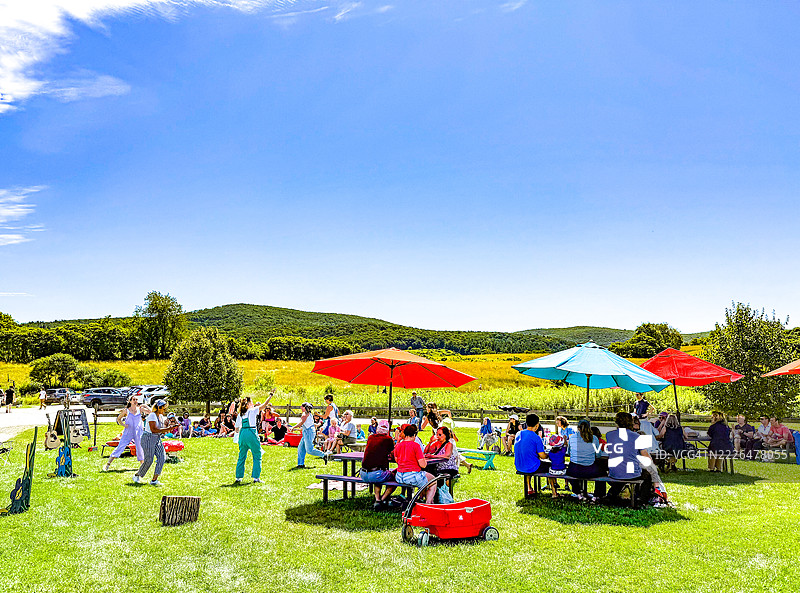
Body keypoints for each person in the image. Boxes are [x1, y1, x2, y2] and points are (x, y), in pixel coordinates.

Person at [604, 412, 653, 504]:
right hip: (632, 473)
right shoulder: (637, 436)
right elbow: (646, 456)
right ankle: (642, 499)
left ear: (617, 422)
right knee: (647, 475)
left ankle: (612, 494)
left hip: (614, 472)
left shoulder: (609, 435)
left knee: (621, 471)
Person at [134, 399, 179, 486]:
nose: (165, 410)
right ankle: (137, 475)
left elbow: (160, 430)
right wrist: (168, 429)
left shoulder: (160, 416)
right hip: (148, 438)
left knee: (162, 457)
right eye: (164, 408)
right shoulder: (152, 415)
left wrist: (171, 428)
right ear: (159, 407)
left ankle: (154, 480)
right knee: (149, 460)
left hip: (157, 438)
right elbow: (154, 430)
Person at [234, 394, 273, 483]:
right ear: (248, 404)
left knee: (241, 456)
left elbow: (236, 428)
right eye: (251, 402)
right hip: (251, 433)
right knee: (257, 455)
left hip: (242, 434)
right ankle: (256, 477)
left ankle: (238, 477)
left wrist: (238, 437)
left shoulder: (240, 414)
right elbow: (264, 405)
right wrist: (270, 396)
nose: (253, 403)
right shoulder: (252, 410)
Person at [104, 396, 150, 471]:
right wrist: (124, 425)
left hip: (138, 431)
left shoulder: (140, 409)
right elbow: (118, 419)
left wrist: (145, 406)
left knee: (140, 447)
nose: (135, 401)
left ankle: (142, 466)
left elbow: (151, 412)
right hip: (128, 431)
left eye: (136, 400)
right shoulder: (126, 410)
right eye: (134, 400)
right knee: (121, 446)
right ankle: (108, 464)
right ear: (130, 401)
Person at [394, 424, 436, 504]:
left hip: (399, 476)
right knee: (433, 481)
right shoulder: (416, 446)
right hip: (412, 476)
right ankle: (428, 503)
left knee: (424, 479)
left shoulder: (398, 446)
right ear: (414, 435)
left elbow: (397, 460)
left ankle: (419, 498)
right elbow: (423, 465)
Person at [566, 418, 607, 500]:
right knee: (603, 473)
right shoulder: (594, 438)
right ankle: (597, 495)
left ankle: (578, 492)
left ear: (578, 428)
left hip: (574, 470)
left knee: (569, 471)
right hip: (589, 470)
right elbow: (598, 455)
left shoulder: (572, 437)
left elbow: (569, 453)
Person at [360, 419, 396, 509]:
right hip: (376, 474)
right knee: (396, 478)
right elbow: (393, 452)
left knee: (379, 474)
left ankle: (377, 499)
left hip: (363, 473)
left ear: (377, 429)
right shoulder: (388, 439)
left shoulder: (371, 437)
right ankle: (382, 499)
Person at [515, 413, 549, 496]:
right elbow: (542, 456)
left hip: (519, 465)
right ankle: (553, 489)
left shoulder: (518, 434)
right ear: (537, 425)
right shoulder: (536, 437)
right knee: (552, 466)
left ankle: (529, 487)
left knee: (530, 460)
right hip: (531, 467)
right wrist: (549, 454)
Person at [291, 402, 326, 469]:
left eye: (302, 406)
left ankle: (324, 455)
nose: (301, 407)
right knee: (301, 448)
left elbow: (301, 423)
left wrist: (293, 427)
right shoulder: (306, 414)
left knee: (309, 450)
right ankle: (300, 464)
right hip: (306, 431)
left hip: (309, 432)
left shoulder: (305, 414)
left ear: (305, 407)